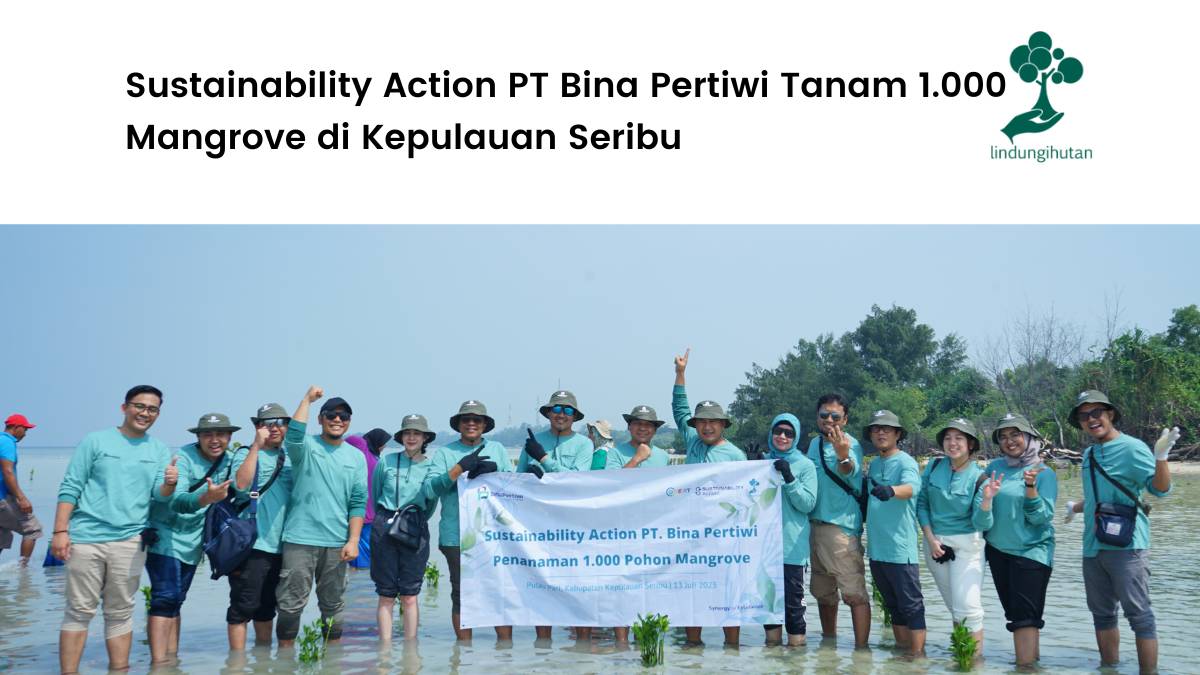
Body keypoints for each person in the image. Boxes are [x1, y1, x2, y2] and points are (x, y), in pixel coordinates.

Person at [53, 385, 174, 674]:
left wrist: (169, 483)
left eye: (153, 409)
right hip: (85, 539)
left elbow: (160, 496)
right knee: (78, 611)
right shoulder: (95, 441)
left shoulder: (158, 449)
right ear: (124, 408)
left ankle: (119, 670)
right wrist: (60, 532)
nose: (145, 413)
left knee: (120, 613)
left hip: (130, 541)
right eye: (139, 406)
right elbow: (71, 486)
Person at [1071, 390, 1175, 674]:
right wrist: (1075, 507)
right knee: (1102, 616)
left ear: (1110, 414)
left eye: (1097, 413)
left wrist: (1161, 457)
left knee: (1140, 616)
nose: (1091, 419)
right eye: (1084, 416)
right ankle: (1109, 668)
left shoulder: (1132, 447)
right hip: (1092, 546)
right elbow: (1098, 496)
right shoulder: (1089, 454)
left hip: (1128, 548)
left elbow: (1160, 490)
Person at [145, 412, 242, 664]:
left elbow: (244, 485)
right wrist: (206, 498)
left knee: (177, 600)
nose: (214, 440)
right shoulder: (184, 458)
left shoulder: (230, 461)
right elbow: (177, 502)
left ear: (229, 437)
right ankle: (157, 664)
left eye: (220, 434)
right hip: (165, 535)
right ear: (198, 437)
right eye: (207, 434)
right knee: (164, 598)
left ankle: (172, 660)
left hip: (193, 541)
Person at [275, 387, 368, 647]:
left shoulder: (356, 457)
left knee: (333, 605)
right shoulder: (305, 447)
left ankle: (331, 662)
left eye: (343, 416)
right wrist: (306, 400)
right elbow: (293, 436)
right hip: (300, 539)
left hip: (338, 543)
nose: (337, 420)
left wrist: (353, 540)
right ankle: (284, 661)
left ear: (349, 421)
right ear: (320, 419)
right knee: (290, 605)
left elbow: (358, 502)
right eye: (331, 415)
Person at [672, 348, 745, 646]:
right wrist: (680, 374)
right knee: (692, 590)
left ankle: (732, 649)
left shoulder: (737, 456)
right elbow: (680, 410)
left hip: (725, 536)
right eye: (701, 421)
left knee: (729, 592)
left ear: (723, 424)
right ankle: (692, 650)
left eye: (713, 421)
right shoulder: (692, 441)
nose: (706, 426)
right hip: (690, 532)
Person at [422, 400, 511, 642]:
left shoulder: (499, 450)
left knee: (498, 592)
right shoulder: (444, 453)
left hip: (493, 534)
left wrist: (498, 475)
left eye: (477, 420)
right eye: (466, 420)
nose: (471, 423)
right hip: (455, 535)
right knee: (461, 593)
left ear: (484, 425)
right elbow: (430, 490)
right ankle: (462, 653)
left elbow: (513, 490)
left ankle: (506, 654)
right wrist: (458, 469)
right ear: (459, 424)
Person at [975, 412, 1056, 668]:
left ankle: (1024, 669)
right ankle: (1034, 665)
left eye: (1015, 435)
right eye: (1004, 437)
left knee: (1025, 618)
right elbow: (981, 504)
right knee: (1017, 615)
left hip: (1031, 553)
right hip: (998, 551)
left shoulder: (1044, 473)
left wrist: (1031, 490)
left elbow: (1042, 518)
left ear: (1030, 437)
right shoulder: (994, 468)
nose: (1010, 441)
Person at [518, 390, 594, 641]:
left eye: (568, 411)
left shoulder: (584, 444)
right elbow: (516, 482)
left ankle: (582, 645)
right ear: (549, 413)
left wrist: (544, 459)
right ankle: (542, 648)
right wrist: (528, 475)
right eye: (557, 410)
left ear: (575, 417)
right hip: (539, 524)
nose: (562, 415)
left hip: (574, 524)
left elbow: (576, 482)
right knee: (542, 585)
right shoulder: (532, 441)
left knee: (579, 585)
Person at [223, 402, 294, 649]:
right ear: (257, 426)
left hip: (281, 546)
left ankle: (261, 661)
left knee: (266, 609)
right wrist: (256, 445)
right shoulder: (244, 453)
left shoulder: (289, 458)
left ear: (287, 427)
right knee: (242, 607)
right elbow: (240, 485)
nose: (274, 428)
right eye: (267, 423)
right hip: (251, 544)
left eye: (280, 423)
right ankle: (237, 664)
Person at [917, 418, 989, 657]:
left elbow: (982, 523)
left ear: (970, 444)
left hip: (968, 546)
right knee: (954, 607)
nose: (952, 443)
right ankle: (961, 659)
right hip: (934, 544)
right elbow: (922, 503)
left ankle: (973, 665)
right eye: (948, 438)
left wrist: (987, 500)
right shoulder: (934, 467)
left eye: (959, 438)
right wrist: (930, 539)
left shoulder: (980, 477)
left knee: (968, 608)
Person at [805, 393, 870, 647]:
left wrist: (842, 455)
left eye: (835, 416)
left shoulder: (850, 444)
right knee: (824, 594)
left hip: (841, 530)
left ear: (845, 419)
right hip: (814, 526)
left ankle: (861, 652)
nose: (829, 420)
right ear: (817, 417)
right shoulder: (813, 445)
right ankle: (828, 645)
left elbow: (848, 469)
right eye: (824, 415)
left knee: (854, 594)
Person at [863, 410, 925, 655]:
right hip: (877, 549)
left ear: (897, 434)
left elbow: (912, 487)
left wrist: (892, 490)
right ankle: (902, 652)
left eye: (886, 429)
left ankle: (918, 657)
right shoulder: (875, 463)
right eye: (876, 429)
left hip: (901, 550)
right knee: (893, 607)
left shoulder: (906, 461)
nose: (880, 433)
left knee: (912, 607)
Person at [371, 414, 436, 641]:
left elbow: (430, 504)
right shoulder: (386, 461)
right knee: (386, 594)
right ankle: (385, 652)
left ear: (425, 437)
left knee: (410, 594)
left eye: (417, 433)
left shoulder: (431, 466)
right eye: (407, 433)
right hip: (384, 526)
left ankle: (410, 650)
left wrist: (412, 519)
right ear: (401, 437)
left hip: (415, 525)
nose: (411, 437)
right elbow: (375, 493)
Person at [763, 413, 818, 647]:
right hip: (764, 548)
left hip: (791, 547)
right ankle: (773, 660)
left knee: (794, 607)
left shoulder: (805, 465)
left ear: (796, 437)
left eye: (789, 433)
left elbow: (807, 504)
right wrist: (750, 465)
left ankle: (797, 660)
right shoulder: (762, 462)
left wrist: (789, 477)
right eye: (778, 431)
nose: (782, 436)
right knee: (769, 607)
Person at [0, 413, 41, 566]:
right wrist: (22, 498)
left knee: (2, 534)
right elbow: (7, 471)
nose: (25, 433)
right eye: (25, 429)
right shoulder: (7, 442)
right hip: (2, 498)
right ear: (16, 427)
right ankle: (23, 571)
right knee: (32, 529)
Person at [347, 428, 391, 569]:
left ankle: (362, 586)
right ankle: (362, 586)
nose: (384, 446)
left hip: (369, 514)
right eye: (383, 443)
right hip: (363, 513)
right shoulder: (365, 451)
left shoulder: (375, 458)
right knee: (362, 555)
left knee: (364, 556)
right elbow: (352, 439)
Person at [606, 405, 672, 470]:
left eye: (648, 424)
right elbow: (613, 480)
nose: (642, 428)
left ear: (655, 430)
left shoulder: (664, 456)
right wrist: (637, 459)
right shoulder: (615, 453)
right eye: (637, 423)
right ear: (629, 427)